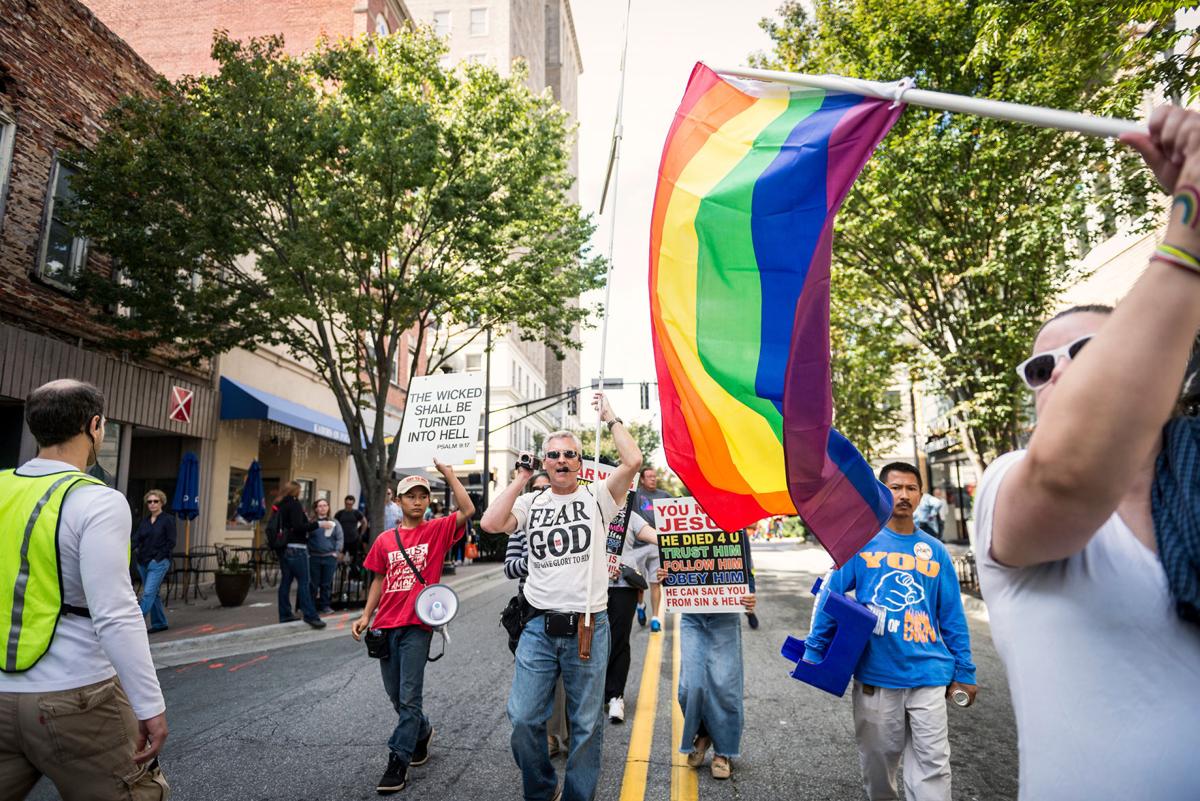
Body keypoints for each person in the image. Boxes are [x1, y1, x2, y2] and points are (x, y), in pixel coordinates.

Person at [970, 105, 1200, 801]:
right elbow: (1069, 474)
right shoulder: (1009, 487)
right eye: (1040, 369)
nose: (1061, 371)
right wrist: (1189, 229)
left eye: (1087, 353)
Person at [0, 379, 168, 798]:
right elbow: (115, 612)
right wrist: (150, 706)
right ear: (95, 426)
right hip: (76, 695)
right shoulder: (98, 501)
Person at [481, 392, 641, 801]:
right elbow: (490, 523)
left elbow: (633, 462)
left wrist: (611, 418)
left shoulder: (599, 498)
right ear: (545, 461)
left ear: (581, 462)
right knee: (522, 718)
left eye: (570, 454)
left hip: (589, 626)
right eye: (554, 455)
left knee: (586, 726)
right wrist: (519, 477)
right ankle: (541, 789)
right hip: (537, 626)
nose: (562, 460)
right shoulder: (532, 502)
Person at [804, 461, 976, 801]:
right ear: (882, 493)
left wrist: (965, 670)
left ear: (920, 495)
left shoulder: (936, 552)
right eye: (895, 487)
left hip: (929, 672)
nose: (904, 495)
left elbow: (952, 616)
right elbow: (830, 593)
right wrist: (815, 649)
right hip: (876, 675)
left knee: (934, 764)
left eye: (911, 488)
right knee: (879, 765)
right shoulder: (859, 542)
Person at [352, 462, 474, 795]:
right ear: (400, 501)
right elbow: (379, 578)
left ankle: (397, 762)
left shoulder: (436, 531)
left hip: (417, 626)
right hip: (384, 625)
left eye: (423, 496)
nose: (418, 502)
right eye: (411, 497)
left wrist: (450, 474)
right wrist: (366, 615)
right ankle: (422, 732)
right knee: (396, 697)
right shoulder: (385, 540)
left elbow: (468, 509)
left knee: (409, 698)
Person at [655, 565, 757, 779]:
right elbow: (673, 567)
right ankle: (704, 733)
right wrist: (666, 578)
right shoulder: (678, 532)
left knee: (724, 687)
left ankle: (722, 753)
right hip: (692, 614)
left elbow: (746, 568)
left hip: (726, 615)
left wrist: (750, 595)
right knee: (689, 687)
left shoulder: (737, 532)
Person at [504, 471, 573, 758]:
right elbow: (509, 568)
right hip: (531, 610)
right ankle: (546, 735)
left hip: (566, 606)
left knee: (565, 680)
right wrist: (537, 558)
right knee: (538, 680)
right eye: (537, 488)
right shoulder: (520, 527)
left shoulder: (570, 522)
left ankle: (567, 733)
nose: (543, 492)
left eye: (547, 487)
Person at [605, 511, 658, 724]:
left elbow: (652, 535)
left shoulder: (629, 515)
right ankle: (590, 694)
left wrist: (680, 536)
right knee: (587, 642)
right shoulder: (584, 505)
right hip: (587, 587)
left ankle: (615, 696)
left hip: (622, 587)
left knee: (618, 640)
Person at [275, 481, 331, 628]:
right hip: (297, 548)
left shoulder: (280, 505)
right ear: (296, 491)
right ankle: (310, 615)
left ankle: (285, 614)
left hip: (284, 548)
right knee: (304, 582)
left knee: (285, 582)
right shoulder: (294, 504)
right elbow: (298, 527)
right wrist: (318, 524)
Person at [632, 466, 670, 632]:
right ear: (642, 479)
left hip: (657, 546)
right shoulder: (635, 496)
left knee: (656, 583)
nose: (653, 479)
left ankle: (655, 618)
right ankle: (640, 606)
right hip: (637, 546)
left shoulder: (664, 496)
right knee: (638, 584)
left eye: (654, 476)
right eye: (649, 477)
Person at [132, 488, 176, 633]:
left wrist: (157, 559)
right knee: (154, 594)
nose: (152, 504)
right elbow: (136, 539)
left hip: (158, 562)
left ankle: (134, 627)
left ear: (161, 502)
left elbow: (171, 542)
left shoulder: (168, 520)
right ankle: (160, 623)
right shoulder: (144, 521)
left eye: (155, 501)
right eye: (149, 502)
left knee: (148, 593)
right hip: (143, 563)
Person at [308, 497, 343, 615]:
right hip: (314, 557)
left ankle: (325, 606)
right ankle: (311, 607)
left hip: (329, 557)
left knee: (326, 584)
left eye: (325, 505)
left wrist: (336, 552)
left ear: (328, 508)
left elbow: (340, 538)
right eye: (320, 506)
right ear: (316, 509)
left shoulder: (335, 522)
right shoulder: (311, 523)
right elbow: (306, 537)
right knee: (313, 584)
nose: (323, 508)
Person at [335, 494, 368, 566]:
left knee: (353, 561)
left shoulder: (356, 513)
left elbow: (364, 522)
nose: (348, 506)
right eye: (347, 504)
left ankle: (350, 574)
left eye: (350, 504)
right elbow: (334, 524)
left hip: (354, 539)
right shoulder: (340, 513)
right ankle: (341, 574)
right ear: (345, 503)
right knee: (339, 560)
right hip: (342, 540)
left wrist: (361, 534)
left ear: (353, 504)